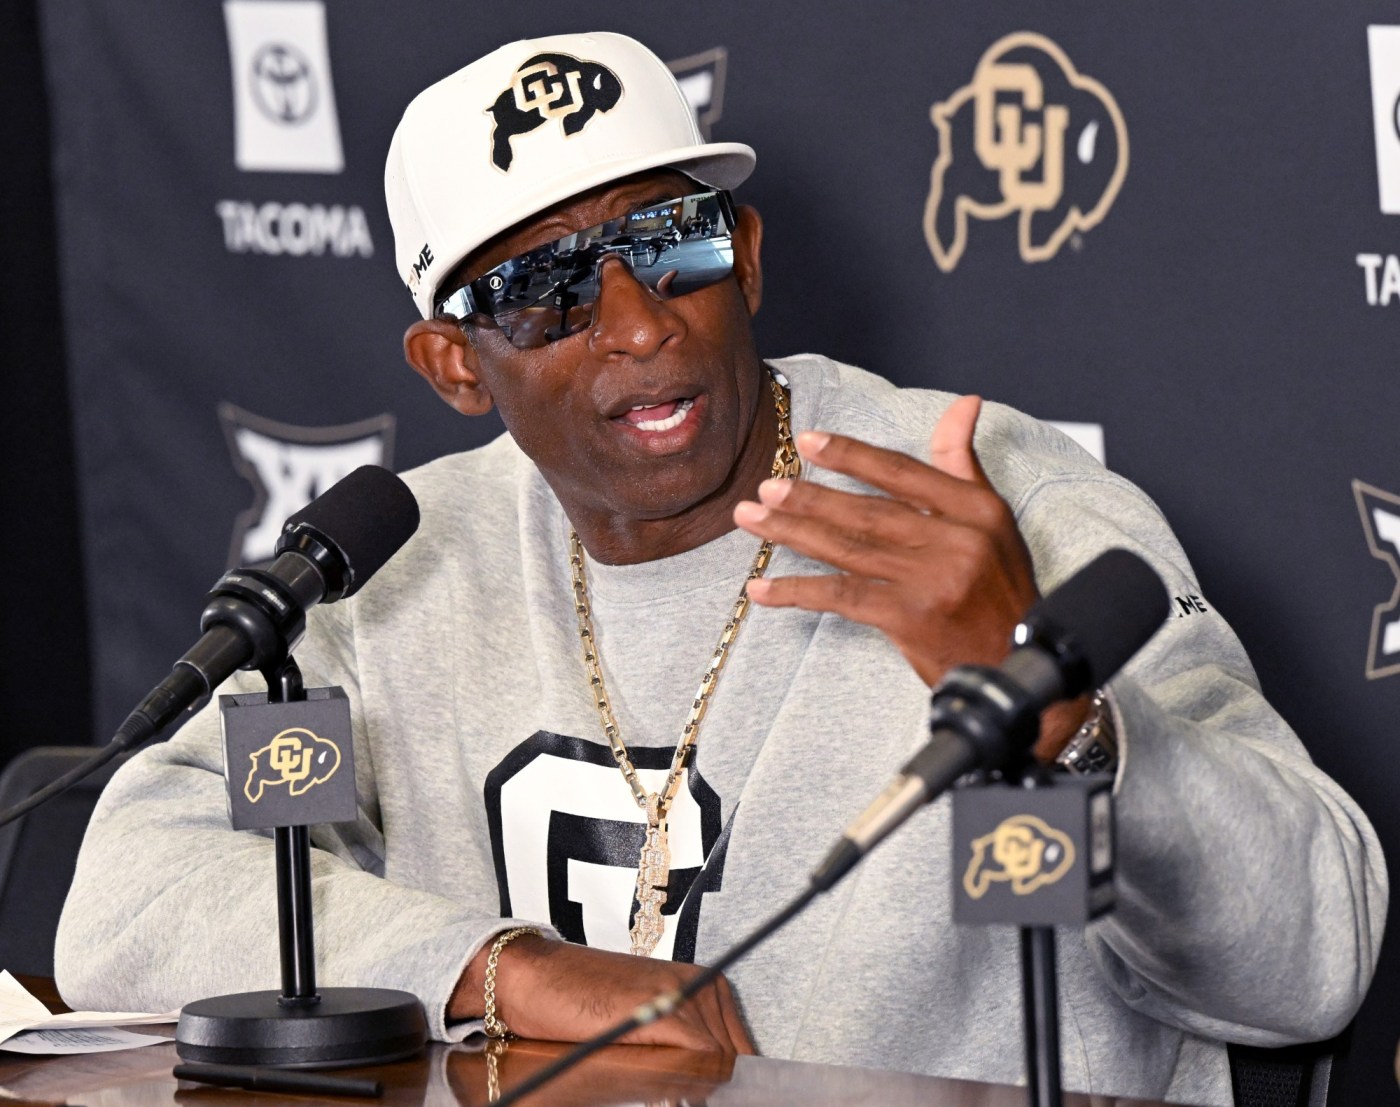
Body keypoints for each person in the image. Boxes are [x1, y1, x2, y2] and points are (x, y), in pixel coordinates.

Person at [56, 31, 1385, 1106]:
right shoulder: (396, 576)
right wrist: (499, 970)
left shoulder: (993, 507)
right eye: (548, 289)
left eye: (670, 244)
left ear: (743, 255)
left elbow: (1317, 953)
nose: (639, 326)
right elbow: (137, 887)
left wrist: (1065, 719)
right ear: (455, 363)